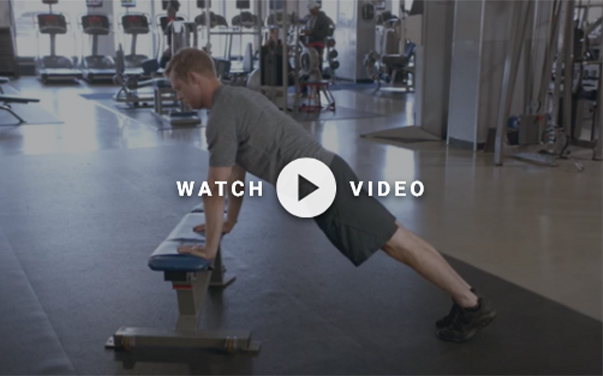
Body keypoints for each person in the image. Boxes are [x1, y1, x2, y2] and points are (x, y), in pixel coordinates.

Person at [165, 48, 497, 343]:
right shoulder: (236, 98)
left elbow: (215, 185)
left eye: (179, 88)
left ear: (194, 78)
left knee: (397, 243)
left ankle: (470, 304)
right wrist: (230, 220)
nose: (179, 96)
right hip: (326, 174)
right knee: (397, 239)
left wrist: (209, 247)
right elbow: (237, 170)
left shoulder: (222, 113)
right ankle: (466, 298)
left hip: (321, 185)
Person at [302, 0, 331, 74]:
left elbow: (325, 32)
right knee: (309, 62)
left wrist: (312, 33)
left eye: (311, 10)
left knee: (317, 62)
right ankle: (309, 77)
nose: (310, 12)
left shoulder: (324, 19)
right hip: (310, 43)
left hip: (318, 44)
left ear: (316, 8)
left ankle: (318, 79)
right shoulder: (310, 18)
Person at [159, 0, 181, 69]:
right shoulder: (168, 22)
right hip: (171, 47)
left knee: (162, 63)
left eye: (169, 9)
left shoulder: (176, 23)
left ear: (174, 10)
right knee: (162, 63)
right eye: (168, 9)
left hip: (175, 49)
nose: (167, 11)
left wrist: (170, 49)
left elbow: (177, 38)